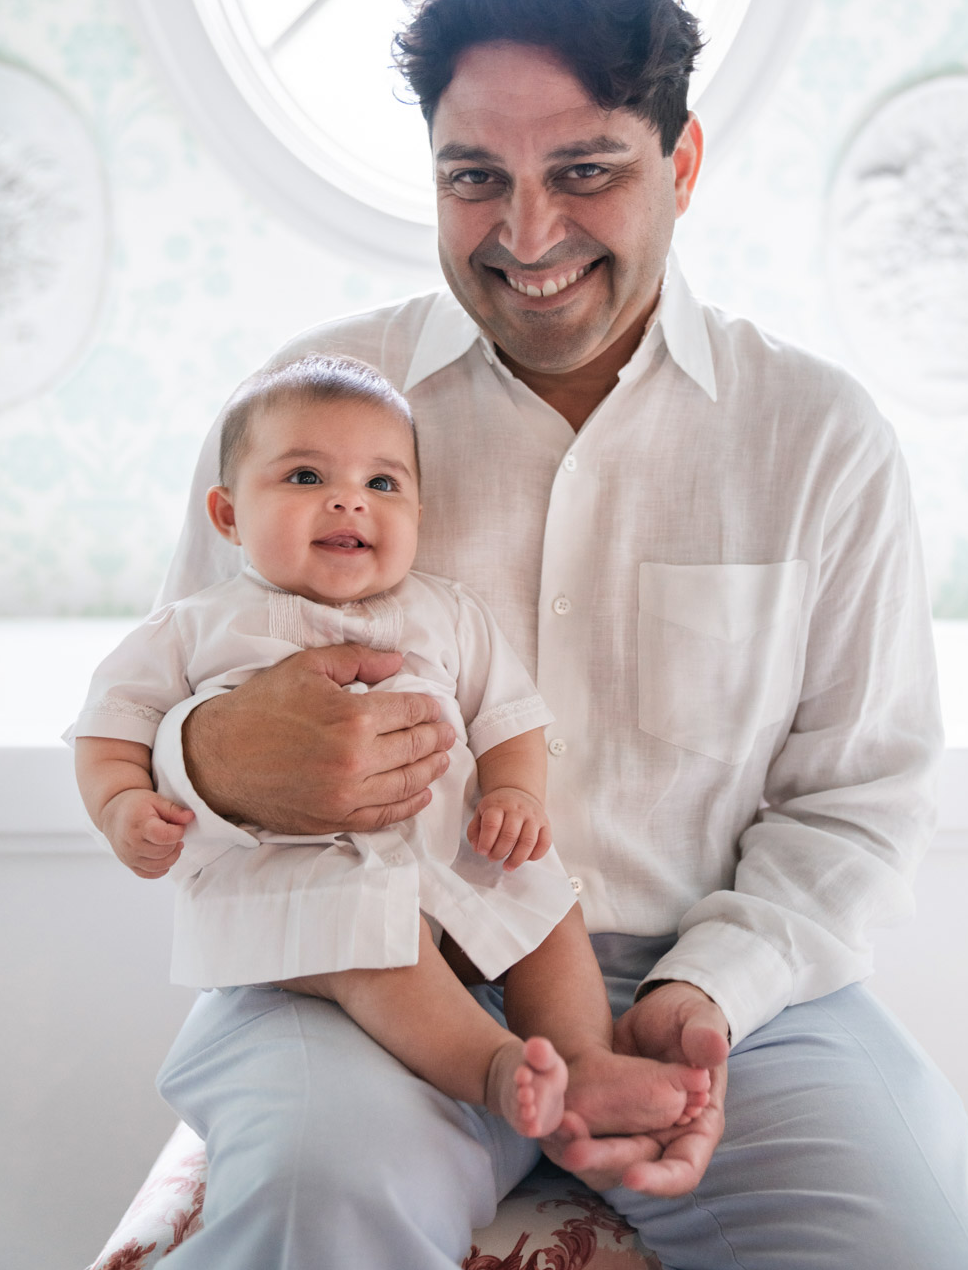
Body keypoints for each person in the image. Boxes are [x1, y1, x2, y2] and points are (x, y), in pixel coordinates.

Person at [142, 0, 968, 1270]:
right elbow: (165, 734)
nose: (526, 233)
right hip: (366, 969)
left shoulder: (816, 436)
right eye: (473, 177)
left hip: (718, 984)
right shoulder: (306, 418)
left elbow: (856, 799)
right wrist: (214, 759)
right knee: (311, 1207)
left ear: (678, 165)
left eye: (585, 172)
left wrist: (699, 994)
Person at [71, 354, 712, 1139]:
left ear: (417, 511)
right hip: (301, 882)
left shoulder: (447, 613)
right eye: (305, 477)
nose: (348, 499)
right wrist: (121, 805)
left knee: (542, 896)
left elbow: (510, 718)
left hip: (453, 854)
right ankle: (495, 1070)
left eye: (382, 484)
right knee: (374, 940)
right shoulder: (195, 627)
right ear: (228, 514)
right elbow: (112, 727)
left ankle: (582, 1058)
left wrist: (515, 796)